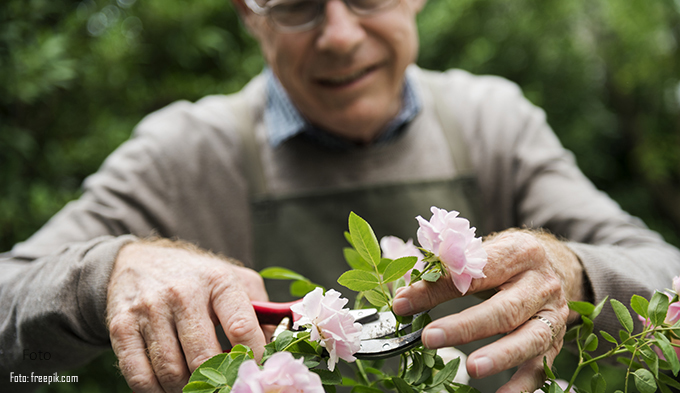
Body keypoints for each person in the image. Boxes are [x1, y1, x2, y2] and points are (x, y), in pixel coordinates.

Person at [1, 0, 679, 392]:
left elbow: (664, 272)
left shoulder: (493, 124)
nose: (340, 35)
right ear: (249, 12)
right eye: (297, 2)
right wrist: (105, 275)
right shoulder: (181, 154)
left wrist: (577, 274)